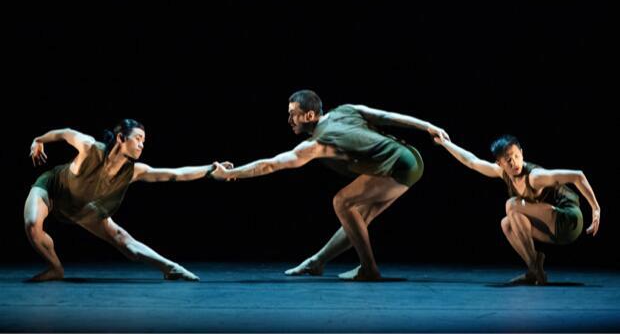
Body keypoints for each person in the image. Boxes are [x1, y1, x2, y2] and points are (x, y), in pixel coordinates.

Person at [210, 89, 449, 281]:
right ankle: (317, 262)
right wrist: (427, 125)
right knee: (356, 220)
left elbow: (271, 165)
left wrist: (234, 173)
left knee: (342, 202)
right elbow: (386, 117)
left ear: (309, 116)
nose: (289, 119)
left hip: (398, 165)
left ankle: (368, 269)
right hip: (411, 158)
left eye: (293, 113)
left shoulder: (316, 143)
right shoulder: (346, 110)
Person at [26, 119, 231, 282]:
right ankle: (55, 268)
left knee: (124, 241)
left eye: (144, 141)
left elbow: (175, 174)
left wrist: (211, 170)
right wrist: (39, 140)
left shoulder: (134, 171)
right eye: (138, 138)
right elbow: (65, 132)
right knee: (33, 223)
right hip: (52, 190)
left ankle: (172, 268)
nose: (142, 144)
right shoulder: (90, 148)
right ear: (121, 138)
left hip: (82, 208)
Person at [434, 134, 600, 284]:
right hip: (550, 227)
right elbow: (471, 161)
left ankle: (535, 268)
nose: (514, 162)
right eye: (508, 160)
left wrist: (595, 209)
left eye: (516, 156)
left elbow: (577, 175)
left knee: (511, 205)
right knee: (506, 224)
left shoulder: (535, 177)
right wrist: (446, 144)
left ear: (522, 153)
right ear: (499, 163)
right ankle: (534, 268)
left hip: (568, 220)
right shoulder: (503, 173)